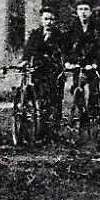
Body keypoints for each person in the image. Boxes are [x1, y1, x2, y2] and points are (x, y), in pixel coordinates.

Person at [20, 10, 69, 141]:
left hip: (55, 74)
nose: (49, 22)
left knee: (56, 103)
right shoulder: (35, 34)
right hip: (39, 72)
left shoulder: (59, 35)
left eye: (51, 19)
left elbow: (65, 52)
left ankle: (55, 133)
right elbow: (28, 50)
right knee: (41, 102)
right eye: (46, 19)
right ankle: (41, 133)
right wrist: (25, 60)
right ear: (41, 20)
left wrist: (65, 64)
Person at [66, 2, 100, 122]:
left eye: (86, 9)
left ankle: (95, 115)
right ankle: (81, 113)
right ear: (77, 12)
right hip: (78, 65)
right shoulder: (72, 28)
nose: (83, 12)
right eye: (80, 9)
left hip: (92, 65)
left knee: (92, 90)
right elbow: (68, 47)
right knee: (76, 87)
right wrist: (69, 62)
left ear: (90, 12)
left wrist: (95, 63)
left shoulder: (96, 27)